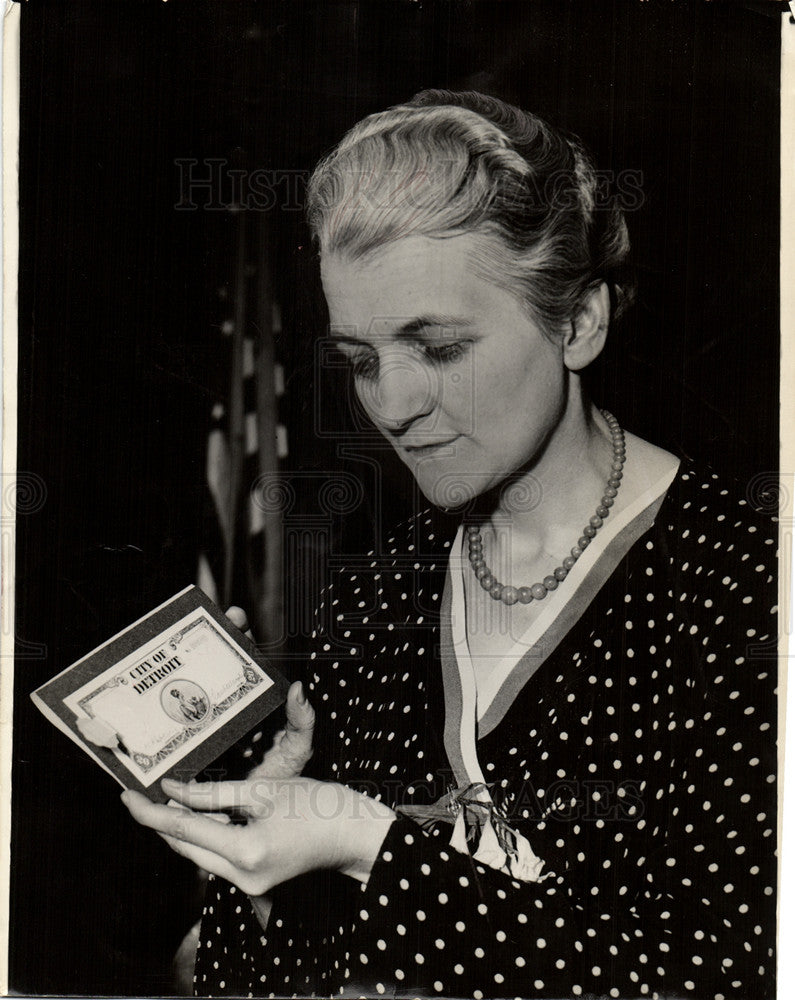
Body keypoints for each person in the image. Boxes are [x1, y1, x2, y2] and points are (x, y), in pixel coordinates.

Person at [122, 90, 778, 999]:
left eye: (437, 348)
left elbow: (733, 977)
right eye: (360, 359)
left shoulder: (749, 582)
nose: (389, 406)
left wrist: (365, 849)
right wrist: (266, 873)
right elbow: (257, 984)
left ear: (577, 321)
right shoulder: (374, 598)